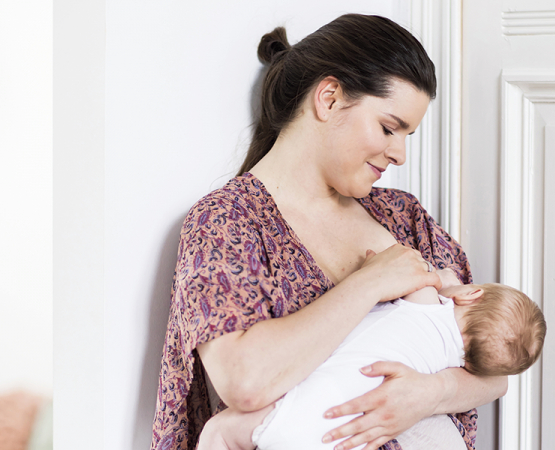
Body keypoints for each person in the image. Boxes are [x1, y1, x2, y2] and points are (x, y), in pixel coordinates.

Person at [150, 14, 508, 450]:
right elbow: (245, 383)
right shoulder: (228, 223)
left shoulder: (403, 218)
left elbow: (493, 369)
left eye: (408, 135)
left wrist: (428, 394)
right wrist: (370, 283)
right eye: (389, 128)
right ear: (330, 98)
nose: (400, 154)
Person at [196, 282, 546, 450]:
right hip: (348, 439)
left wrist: (446, 282)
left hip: (296, 410)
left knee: (219, 432)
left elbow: (403, 271)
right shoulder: (441, 365)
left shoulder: (422, 300)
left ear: (472, 294)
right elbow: (495, 384)